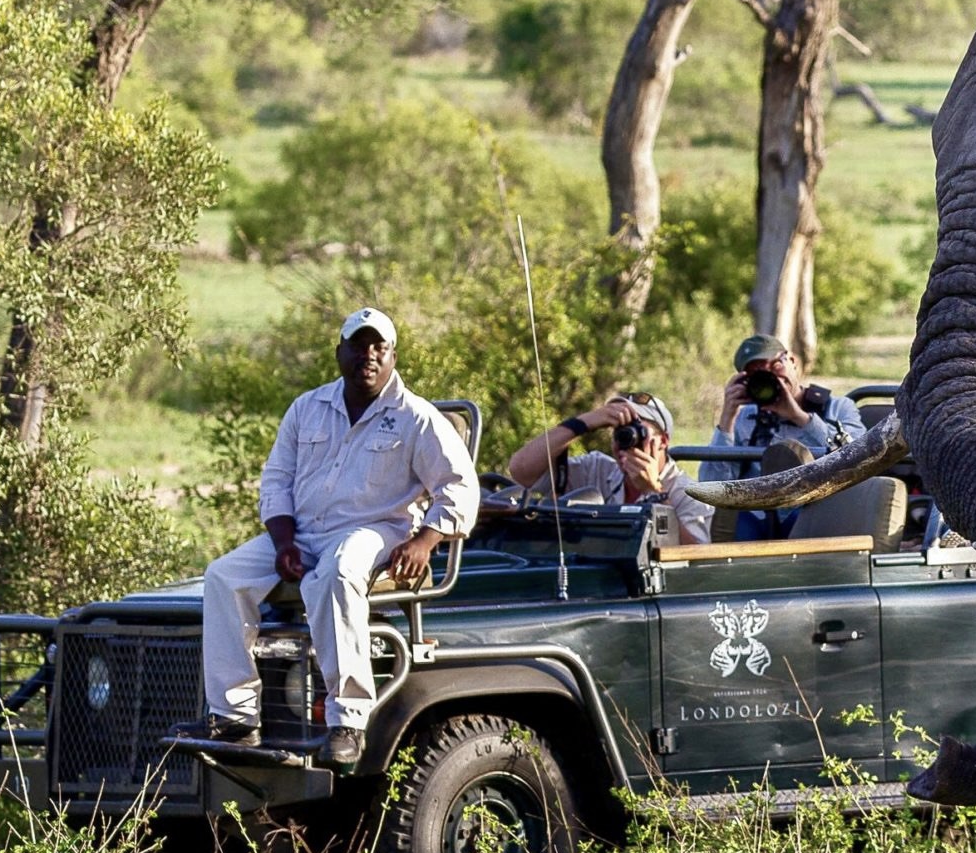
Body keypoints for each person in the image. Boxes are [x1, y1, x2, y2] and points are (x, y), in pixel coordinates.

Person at [190, 308, 479, 766]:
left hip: (376, 530)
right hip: (303, 532)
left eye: (379, 347)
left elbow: (460, 487)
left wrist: (425, 540)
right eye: (359, 345)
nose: (368, 355)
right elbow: (276, 480)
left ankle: (347, 721)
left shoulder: (417, 418)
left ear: (393, 356)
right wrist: (284, 541)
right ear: (339, 352)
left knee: (338, 572)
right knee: (223, 576)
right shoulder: (308, 407)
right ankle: (236, 717)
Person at [500, 390, 712, 544]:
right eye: (619, 432)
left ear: (663, 441)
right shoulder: (598, 469)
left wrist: (654, 493)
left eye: (636, 431)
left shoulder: (689, 493)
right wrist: (583, 423)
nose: (624, 441)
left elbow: (698, 563)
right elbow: (521, 470)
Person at [712, 335, 864, 462]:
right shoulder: (744, 419)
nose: (772, 378)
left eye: (775, 366)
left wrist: (800, 417)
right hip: (760, 496)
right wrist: (727, 418)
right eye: (758, 375)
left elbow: (862, 458)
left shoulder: (838, 408)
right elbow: (710, 482)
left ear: (792, 360)